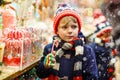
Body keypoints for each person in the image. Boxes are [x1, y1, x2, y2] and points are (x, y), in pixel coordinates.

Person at [35, 4, 98, 80]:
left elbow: (92, 77)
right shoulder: (50, 49)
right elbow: (41, 74)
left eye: (74, 27)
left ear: (78, 29)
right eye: (64, 27)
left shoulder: (86, 51)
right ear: (57, 30)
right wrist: (45, 66)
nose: (70, 31)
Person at [88, 9, 116, 80]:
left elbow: (112, 57)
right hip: (99, 75)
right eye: (106, 36)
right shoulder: (93, 47)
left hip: (108, 74)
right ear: (98, 36)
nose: (109, 37)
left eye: (109, 35)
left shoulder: (110, 44)